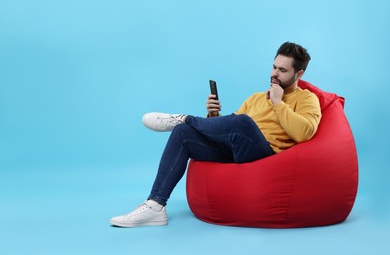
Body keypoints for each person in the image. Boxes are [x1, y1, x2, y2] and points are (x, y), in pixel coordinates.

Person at [109, 42, 322, 228]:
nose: (274, 74)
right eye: (274, 67)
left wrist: (278, 102)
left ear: (299, 74)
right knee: (183, 133)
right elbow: (230, 132)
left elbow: (304, 133)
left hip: (265, 154)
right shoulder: (257, 98)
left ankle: (185, 118)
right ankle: (155, 206)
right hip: (237, 151)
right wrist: (213, 115)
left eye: (282, 70)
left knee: (243, 122)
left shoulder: (307, 99)